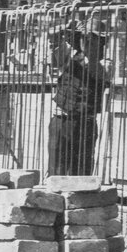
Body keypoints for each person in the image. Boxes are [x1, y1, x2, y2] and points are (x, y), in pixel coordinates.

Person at [48, 16, 112, 177]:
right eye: (86, 39)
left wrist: (83, 49)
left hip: (86, 124)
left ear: (102, 43)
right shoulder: (70, 55)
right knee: (57, 170)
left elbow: (93, 69)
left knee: (81, 173)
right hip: (61, 120)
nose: (89, 42)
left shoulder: (106, 63)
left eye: (94, 40)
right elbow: (53, 38)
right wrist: (65, 28)